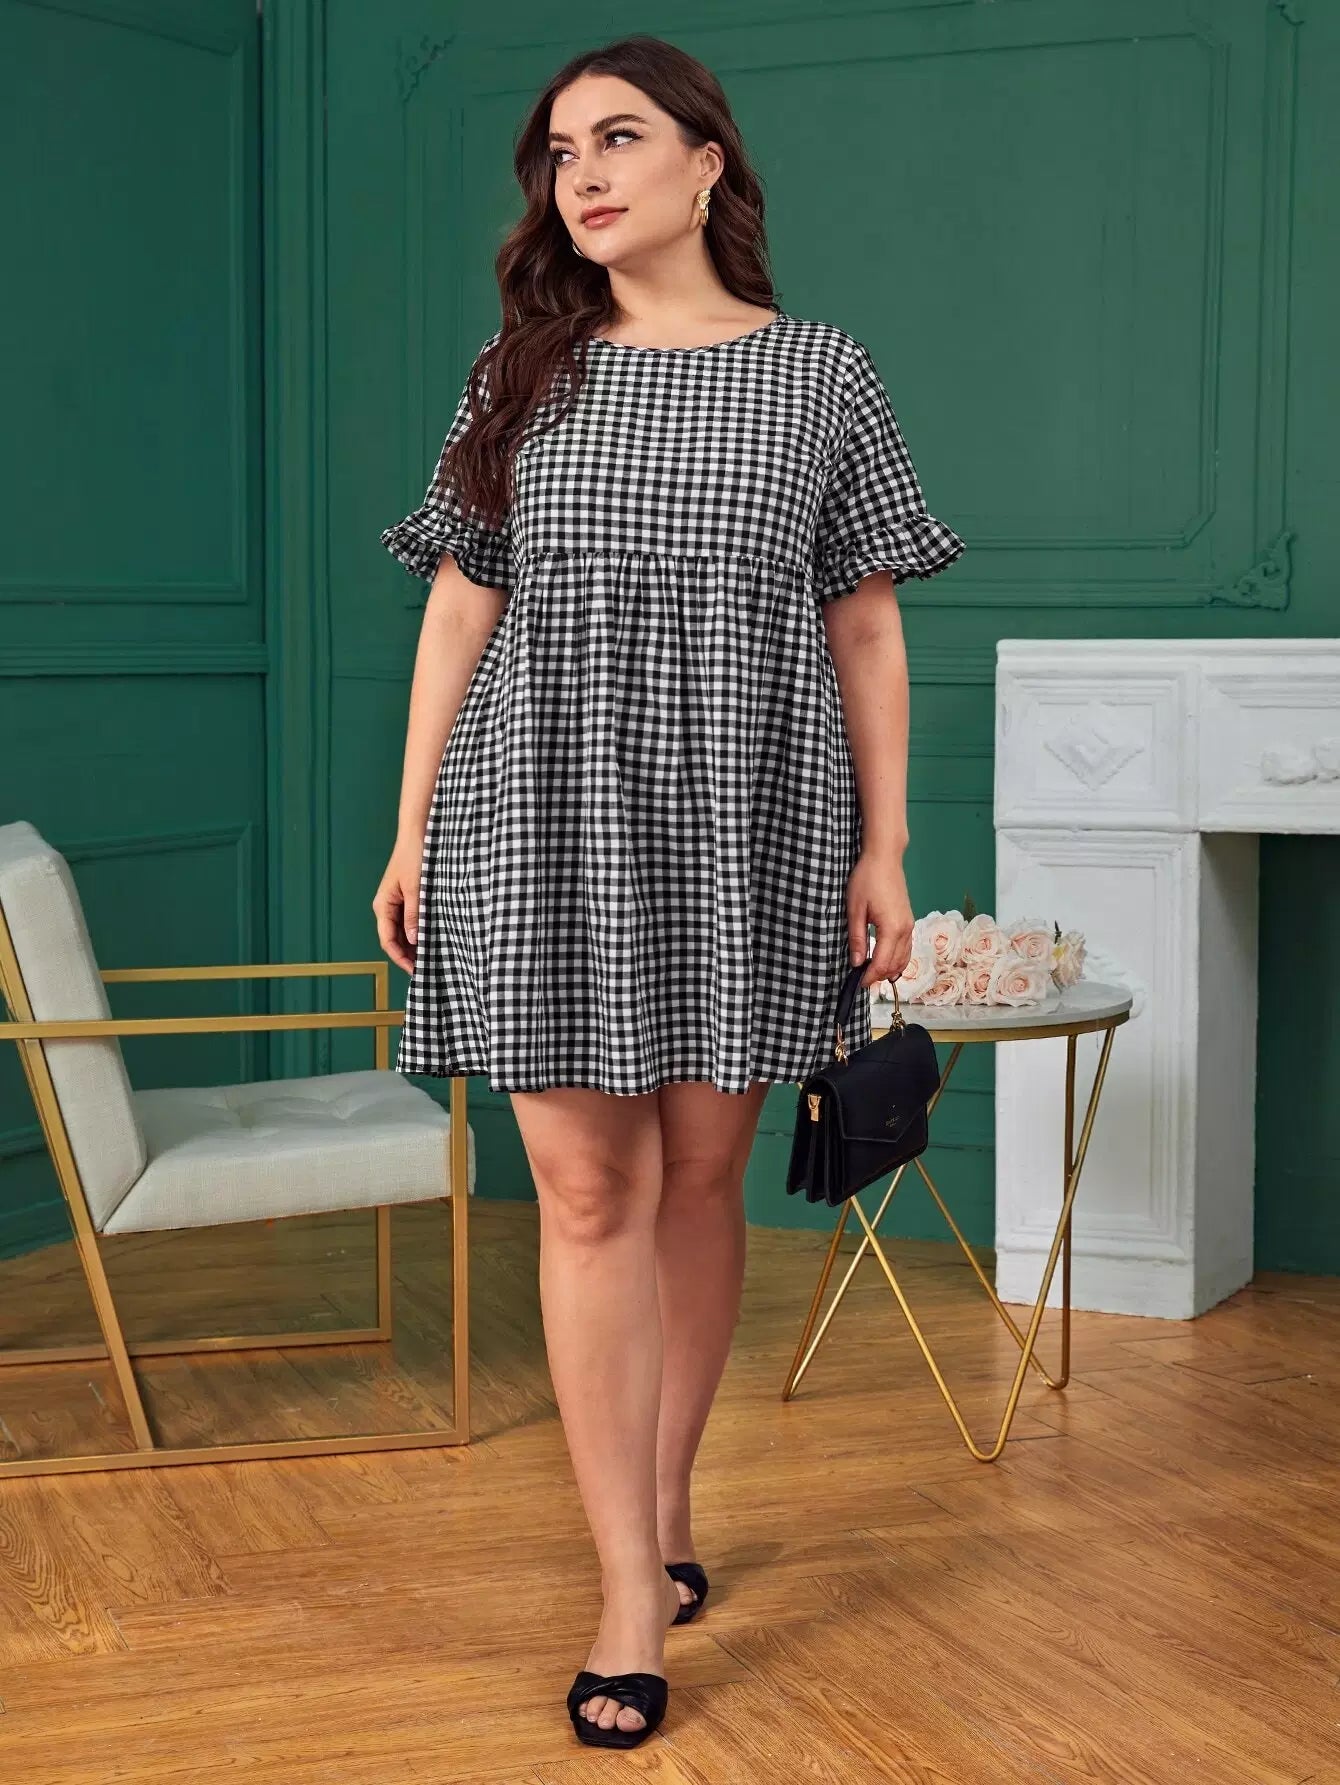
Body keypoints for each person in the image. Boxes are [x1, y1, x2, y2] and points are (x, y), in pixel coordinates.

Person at [372, 32, 966, 1752]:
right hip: (535, 809)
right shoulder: (519, 373)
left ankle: (669, 1495)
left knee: (702, 1173)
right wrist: (410, 832)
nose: (584, 176)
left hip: (750, 815)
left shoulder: (821, 373)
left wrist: (884, 841)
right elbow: (460, 606)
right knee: (583, 1189)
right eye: (560, 154)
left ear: (709, 162)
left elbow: (867, 619)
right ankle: (627, 1586)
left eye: (618, 139)